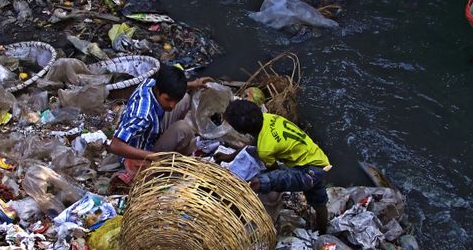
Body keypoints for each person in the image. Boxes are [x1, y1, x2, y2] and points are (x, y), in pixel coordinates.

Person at [222, 100, 332, 234]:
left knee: (257, 182)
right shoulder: (269, 118)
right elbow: (255, 141)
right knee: (320, 204)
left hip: (308, 172)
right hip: (319, 159)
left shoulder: (265, 149)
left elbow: (274, 171)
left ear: (241, 131)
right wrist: (230, 156)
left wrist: (256, 181)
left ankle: (233, 214)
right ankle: (323, 232)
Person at [108, 66, 210, 183]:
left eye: (174, 100)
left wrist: (195, 83)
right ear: (157, 90)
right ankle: (171, 167)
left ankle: (170, 153)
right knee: (183, 129)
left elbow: (171, 91)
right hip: (137, 154)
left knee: (185, 99)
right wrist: (151, 156)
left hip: (150, 135)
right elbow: (115, 145)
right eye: (168, 100)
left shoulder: (151, 83)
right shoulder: (143, 116)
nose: (172, 105)